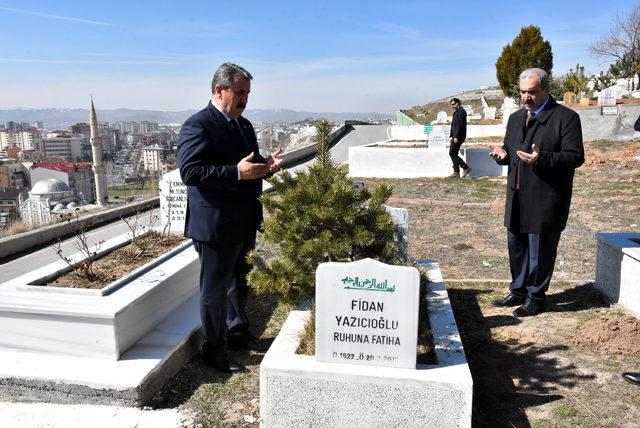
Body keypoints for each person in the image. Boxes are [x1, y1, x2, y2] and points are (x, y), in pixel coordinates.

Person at [178, 62, 283, 373]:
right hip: (215, 225)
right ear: (218, 90)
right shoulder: (198, 125)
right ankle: (214, 350)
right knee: (214, 291)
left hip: (244, 219)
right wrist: (238, 172)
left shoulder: (243, 125)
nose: (244, 99)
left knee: (240, 281)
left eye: (247, 93)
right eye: (239, 92)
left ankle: (238, 333)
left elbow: (248, 163)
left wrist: (266, 165)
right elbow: (191, 172)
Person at [489, 68, 584, 317]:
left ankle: (536, 297)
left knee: (540, 249)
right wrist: (503, 156)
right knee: (517, 245)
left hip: (546, 196)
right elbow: (512, 152)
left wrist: (541, 159)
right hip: (518, 195)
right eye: (522, 92)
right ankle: (518, 291)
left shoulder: (566, 118)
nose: (525, 97)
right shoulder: (516, 118)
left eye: (531, 92)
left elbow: (575, 157)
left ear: (546, 90)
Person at [448, 97, 471, 178]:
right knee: (453, 153)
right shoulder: (456, 113)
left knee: (452, 153)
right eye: (451, 105)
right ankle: (456, 172)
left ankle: (465, 167)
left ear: (458, 103)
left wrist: (456, 136)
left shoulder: (462, 112)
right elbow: (454, 125)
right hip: (454, 136)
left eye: (453, 104)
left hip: (458, 137)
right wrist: (452, 135)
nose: (452, 106)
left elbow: (459, 126)